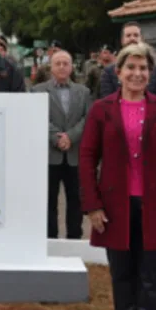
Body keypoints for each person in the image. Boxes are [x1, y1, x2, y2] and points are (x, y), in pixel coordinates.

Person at [79, 43, 156, 310]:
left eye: (143, 68)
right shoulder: (102, 109)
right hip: (115, 209)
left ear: (150, 73)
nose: (137, 74)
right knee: (122, 277)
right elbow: (87, 157)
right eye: (131, 67)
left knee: (152, 279)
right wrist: (92, 205)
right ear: (118, 73)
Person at [32, 50, 92, 239]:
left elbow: (87, 118)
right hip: (50, 154)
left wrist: (70, 137)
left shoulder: (83, 92)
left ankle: (74, 239)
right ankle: (50, 239)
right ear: (51, 67)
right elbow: (37, 116)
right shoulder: (38, 90)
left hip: (75, 155)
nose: (62, 67)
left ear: (71, 66)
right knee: (49, 201)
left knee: (75, 201)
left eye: (66, 63)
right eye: (57, 63)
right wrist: (56, 138)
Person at [99, 22, 156, 98]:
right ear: (122, 40)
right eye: (128, 35)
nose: (132, 38)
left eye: (136, 35)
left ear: (142, 39)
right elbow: (107, 101)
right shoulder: (109, 72)